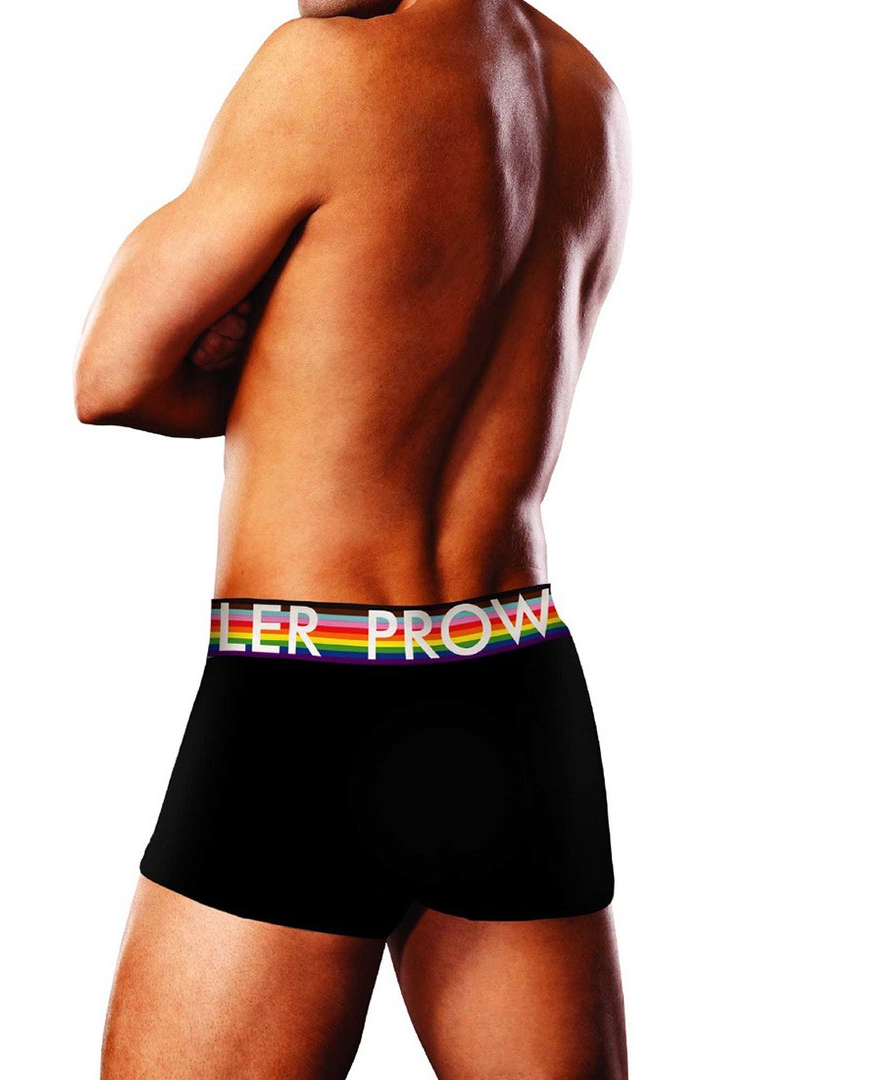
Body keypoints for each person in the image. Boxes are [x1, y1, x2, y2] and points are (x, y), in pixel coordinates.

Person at [74, 0, 631, 1075]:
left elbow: (112, 376)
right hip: (513, 687)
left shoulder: (323, 71)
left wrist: (247, 351)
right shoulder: (585, 93)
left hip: (309, 696)